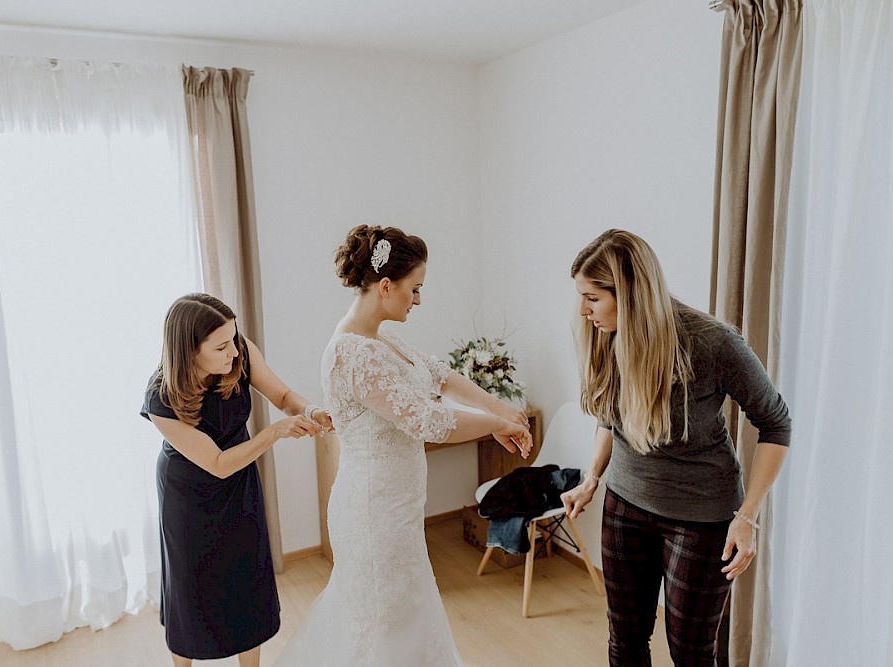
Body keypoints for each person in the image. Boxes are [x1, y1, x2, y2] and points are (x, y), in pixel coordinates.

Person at [274, 225, 533, 666]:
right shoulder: (351, 354)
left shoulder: (382, 336)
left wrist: (502, 410)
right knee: (383, 621)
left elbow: (440, 375)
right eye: (414, 290)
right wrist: (493, 424)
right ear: (386, 285)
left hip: (399, 507)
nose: (418, 301)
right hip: (373, 513)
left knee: (407, 615)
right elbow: (426, 420)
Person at [559, 230, 791, 666]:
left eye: (592, 297)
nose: (582, 309)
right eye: (581, 296)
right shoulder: (607, 335)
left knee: (691, 653)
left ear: (627, 294)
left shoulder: (712, 343)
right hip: (625, 507)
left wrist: (748, 518)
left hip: (702, 518)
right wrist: (592, 477)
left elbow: (776, 425)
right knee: (624, 642)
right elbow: (612, 416)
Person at [141, 293, 332, 667]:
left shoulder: (237, 351)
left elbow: (281, 394)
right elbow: (216, 462)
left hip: (239, 480)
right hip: (189, 494)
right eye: (221, 346)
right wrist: (275, 433)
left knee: (245, 573)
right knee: (190, 585)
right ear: (189, 351)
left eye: (234, 338)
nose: (234, 352)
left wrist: (311, 410)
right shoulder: (160, 397)